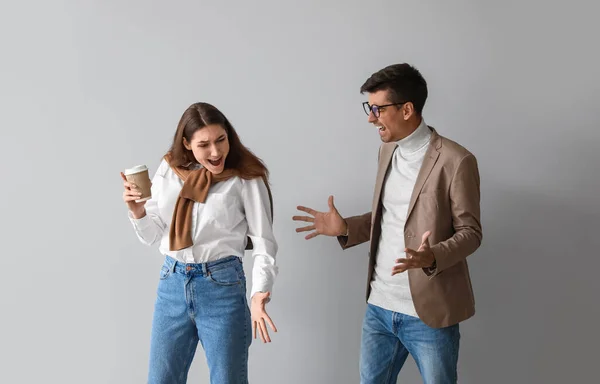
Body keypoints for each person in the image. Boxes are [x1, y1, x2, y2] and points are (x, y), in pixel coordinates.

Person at [293, 63, 482, 384]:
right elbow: (390, 218)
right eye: (370, 108)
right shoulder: (387, 152)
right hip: (379, 307)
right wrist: (346, 229)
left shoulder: (456, 160)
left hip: (429, 314)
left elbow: (471, 233)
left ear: (407, 109)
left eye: (378, 108)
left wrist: (432, 256)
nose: (371, 117)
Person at [121, 102, 278, 384]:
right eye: (204, 144)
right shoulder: (169, 169)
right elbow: (155, 235)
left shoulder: (245, 177)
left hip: (222, 286)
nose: (216, 152)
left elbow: (264, 242)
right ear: (187, 144)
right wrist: (137, 212)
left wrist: (259, 295)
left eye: (221, 140)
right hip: (172, 282)